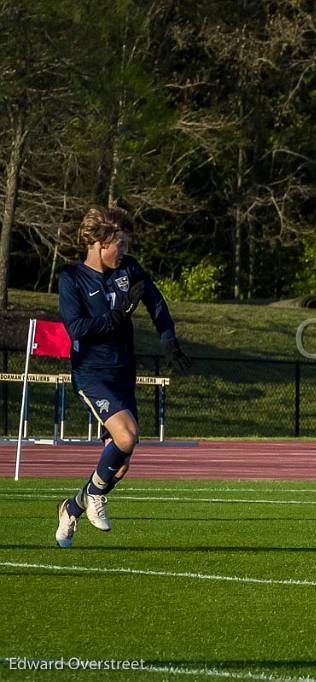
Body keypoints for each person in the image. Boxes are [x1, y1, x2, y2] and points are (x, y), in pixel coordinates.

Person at [54, 206, 191, 548]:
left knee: (119, 467)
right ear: (99, 244)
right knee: (128, 436)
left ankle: (71, 508)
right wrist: (116, 317)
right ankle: (96, 499)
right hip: (92, 374)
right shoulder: (72, 278)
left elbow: (156, 303)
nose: (125, 250)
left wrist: (169, 342)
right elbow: (76, 328)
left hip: (123, 372)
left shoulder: (128, 269)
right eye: (120, 243)